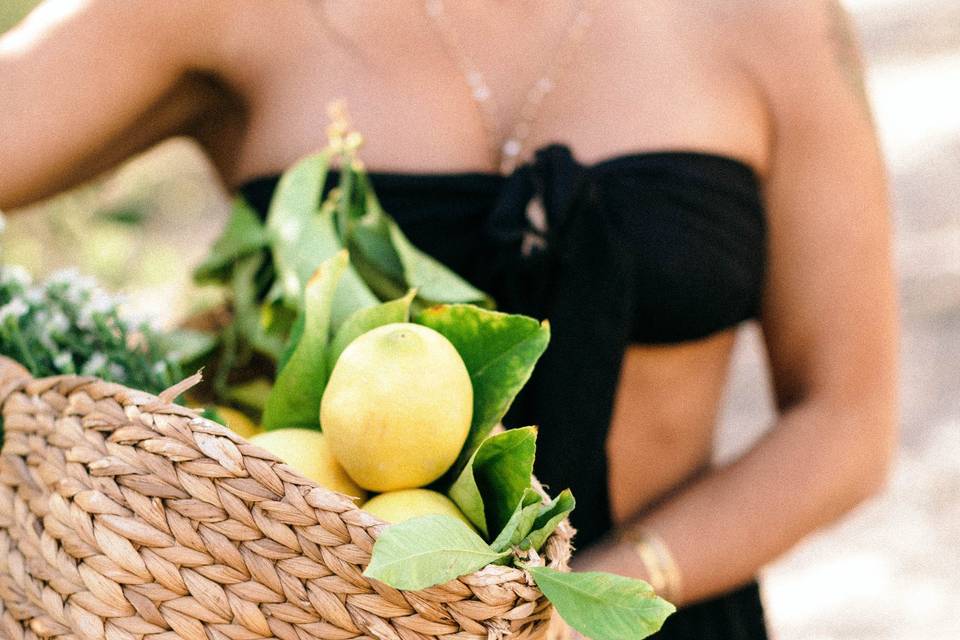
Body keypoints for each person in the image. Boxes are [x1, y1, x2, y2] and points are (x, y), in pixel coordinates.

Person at [0, 1, 898, 637]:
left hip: (657, 616)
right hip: (317, 619)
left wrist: (581, 608)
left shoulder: (777, 21)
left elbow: (847, 418)